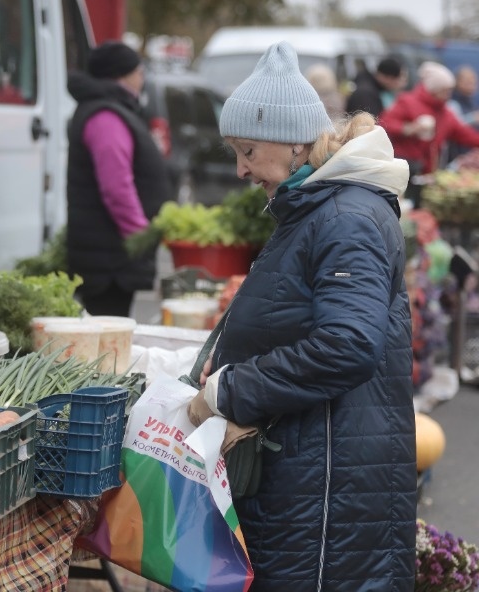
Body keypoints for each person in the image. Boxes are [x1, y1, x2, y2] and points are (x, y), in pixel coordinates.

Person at [188, 41, 416, 589]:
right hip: (314, 479)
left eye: (247, 150)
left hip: (325, 498)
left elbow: (347, 344)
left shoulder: (345, 217)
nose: (241, 170)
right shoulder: (319, 206)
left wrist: (231, 389)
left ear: (295, 143)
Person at [65, 41, 174, 317]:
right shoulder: (105, 116)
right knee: (108, 335)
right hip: (110, 261)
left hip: (111, 255)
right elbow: (116, 187)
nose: (142, 78)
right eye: (139, 72)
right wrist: (139, 238)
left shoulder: (112, 108)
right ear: (121, 75)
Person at [379, 61, 479, 205]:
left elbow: (464, 134)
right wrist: (409, 128)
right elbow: (384, 123)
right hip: (401, 170)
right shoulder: (407, 102)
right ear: (434, 89)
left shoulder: (446, 113)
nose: (449, 95)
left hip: (427, 174)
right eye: (445, 90)